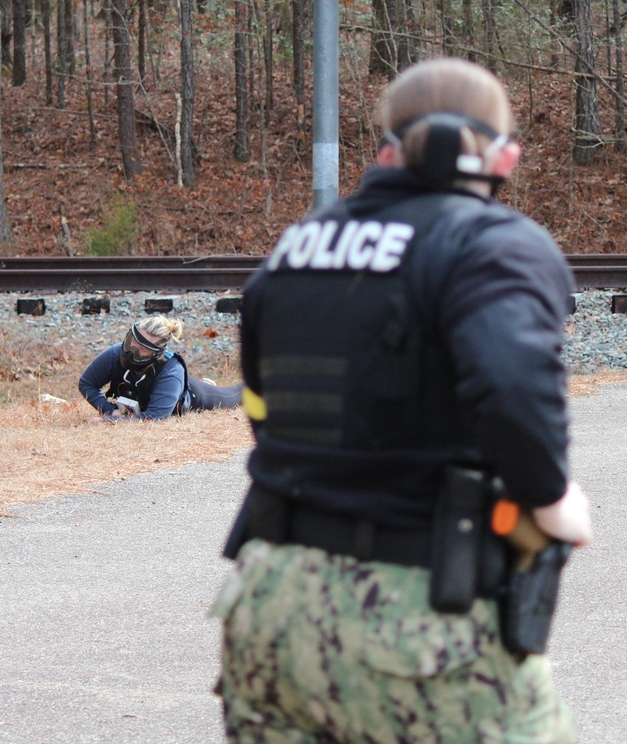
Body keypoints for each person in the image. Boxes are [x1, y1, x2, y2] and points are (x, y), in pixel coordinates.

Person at [211, 57, 593, 743]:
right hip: (413, 616)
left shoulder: (297, 246)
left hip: (268, 602)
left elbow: (264, 409)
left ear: (386, 148)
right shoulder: (491, 244)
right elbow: (510, 386)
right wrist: (551, 496)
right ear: (506, 155)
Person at [78, 314, 243, 421]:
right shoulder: (115, 353)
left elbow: (155, 416)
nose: (132, 351)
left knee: (236, 395)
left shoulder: (170, 371)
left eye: (143, 349)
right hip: (146, 398)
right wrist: (110, 410)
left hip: (192, 396)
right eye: (132, 341)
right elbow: (87, 384)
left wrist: (109, 421)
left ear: (156, 354)